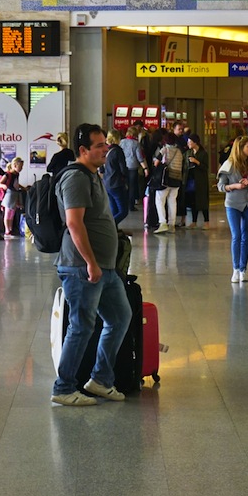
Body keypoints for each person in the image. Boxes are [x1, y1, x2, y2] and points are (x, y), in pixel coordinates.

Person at [51, 123, 132, 407]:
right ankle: (63, 387)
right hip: (83, 268)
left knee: (120, 318)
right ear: (83, 150)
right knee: (81, 327)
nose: (105, 149)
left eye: (105, 144)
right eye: (99, 145)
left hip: (104, 269)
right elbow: (74, 223)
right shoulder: (75, 178)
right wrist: (90, 263)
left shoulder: (94, 175)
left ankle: (100, 379)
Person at [216, 135, 248, 283]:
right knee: (236, 235)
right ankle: (235, 269)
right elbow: (220, 186)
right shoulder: (229, 165)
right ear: (240, 148)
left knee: (246, 237)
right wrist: (234, 186)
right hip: (232, 203)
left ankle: (243, 269)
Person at [153, 131, 185, 234]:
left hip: (166, 180)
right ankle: (172, 225)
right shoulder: (179, 152)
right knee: (172, 201)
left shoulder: (164, 150)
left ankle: (163, 223)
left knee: (160, 200)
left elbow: (157, 163)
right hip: (177, 180)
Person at [103, 129, 130, 228]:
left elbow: (101, 168)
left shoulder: (106, 150)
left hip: (107, 183)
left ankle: (114, 228)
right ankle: (110, 226)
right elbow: (123, 168)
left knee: (113, 209)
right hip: (117, 183)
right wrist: (126, 177)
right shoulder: (118, 151)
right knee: (123, 211)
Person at [184, 134, 210, 229]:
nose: (188, 144)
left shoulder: (203, 153)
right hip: (191, 180)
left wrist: (196, 162)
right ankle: (193, 222)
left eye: (190, 142)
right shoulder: (188, 152)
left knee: (202, 201)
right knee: (193, 201)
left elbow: (205, 167)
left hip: (200, 181)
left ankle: (206, 222)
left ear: (195, 142)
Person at [119, 126, 147, 212]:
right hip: (133, 167)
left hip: (123, 166)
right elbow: (140, 157)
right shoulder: (136, 143)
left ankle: (124, 204)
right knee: (132, 187)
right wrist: (145, 168)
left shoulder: (122, 142)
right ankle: (131, 206)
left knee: (124, 185)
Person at [0, 157, 27, 237]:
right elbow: (0, 183)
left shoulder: (16, 174)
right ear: (15, 165)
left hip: (14, 194)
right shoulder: (8, 174)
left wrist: (23, 188)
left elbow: (16, 183)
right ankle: (7, 230)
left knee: (12, 214)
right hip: (9, 194)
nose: (21, 168)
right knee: (7, 213)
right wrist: (3, 186)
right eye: (20, 166)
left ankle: (10, 229)